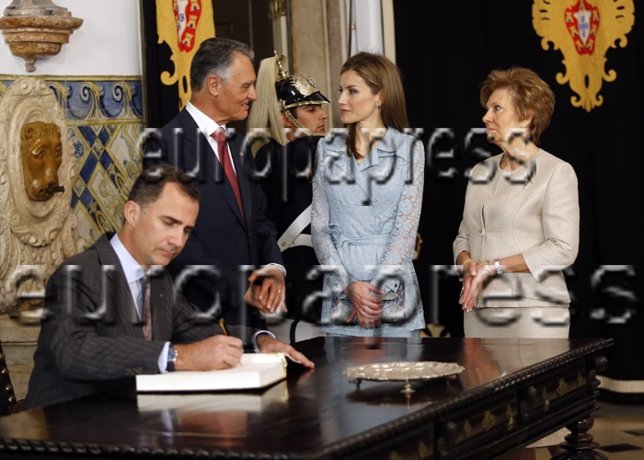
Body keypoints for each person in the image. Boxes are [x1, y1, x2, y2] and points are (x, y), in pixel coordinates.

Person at [23, 164, 313, 410]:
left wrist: (261, 341)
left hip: (132, 428)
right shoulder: (79, 273)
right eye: (169, 223)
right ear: (133, 213)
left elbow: (205, 330)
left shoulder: (159, 280)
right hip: (62, 435)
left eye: (186, 230)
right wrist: (178, 356)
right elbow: (73, 352)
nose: (178, 241)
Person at [144, 37, 286, 331]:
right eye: (246, 86)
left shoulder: (237, 144)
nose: (255, 95)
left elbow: (258, 219)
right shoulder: (166, 144)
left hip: (250, 320)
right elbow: (173, 238)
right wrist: (237, 288)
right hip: (199, 318)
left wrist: (274, 268)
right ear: (214, 85)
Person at [453, 66, 579, 340]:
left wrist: (493, 266)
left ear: (526, 116)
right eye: (487, 109)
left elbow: (563, 249)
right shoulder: (479, 172)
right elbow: (464, 237)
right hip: (477, 309)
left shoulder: (556, 171)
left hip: (535, 312)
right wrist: (468, 265)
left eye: (497, 108)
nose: (486, 117)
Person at [311, 52, 425, 337]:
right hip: (341, 290)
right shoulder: (327, 147)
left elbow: (405, 230)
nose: (340, 100)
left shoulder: (409, 149)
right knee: (340, 380)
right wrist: (347, 285)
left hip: (393, 290)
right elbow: (319, 228)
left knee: (398, 379)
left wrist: (376, 292)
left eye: (352, 91)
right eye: (340, 91)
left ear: (380, 96)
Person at [248, 53, 330, 342]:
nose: (322, 114)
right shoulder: (273, 155)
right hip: (297, 296)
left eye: (320, 106)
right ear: (285, 115)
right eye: (310, 108)